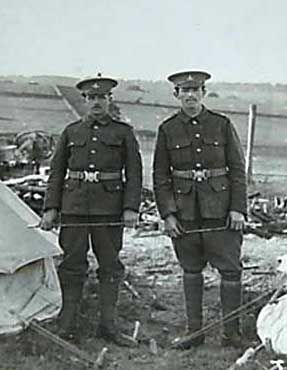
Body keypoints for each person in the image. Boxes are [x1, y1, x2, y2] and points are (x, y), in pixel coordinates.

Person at [40, 74, 142, 345]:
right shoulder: (71, 132)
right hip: (74, 207)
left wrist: (131, 208)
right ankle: (67, 324)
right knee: (72, 265)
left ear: (110, 100)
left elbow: (134, 174)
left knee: (110, 266)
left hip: (109, 209)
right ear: (84, 101)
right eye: (92, 97)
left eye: (102, 97)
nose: (97, 102)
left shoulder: (123, 133)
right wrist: (51, 208)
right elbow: (56, 172)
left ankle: (108, 326)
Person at [152, 70, 247, 349]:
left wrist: (238, 209)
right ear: (177, 95)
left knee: (230, 271)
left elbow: (238, 171)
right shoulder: (168, 129)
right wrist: (168, 214)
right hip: (184, 214)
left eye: (196, 90)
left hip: (221, 212)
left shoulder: (221, 124)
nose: (190, 95)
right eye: (184, 91)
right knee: (191, 270)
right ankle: (195, 332)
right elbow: (160, 176)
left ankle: (232, 333)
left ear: (204, 93)